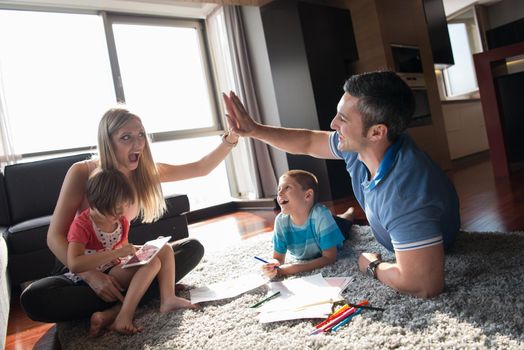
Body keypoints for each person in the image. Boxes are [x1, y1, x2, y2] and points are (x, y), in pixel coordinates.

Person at [223, 71, 460, 298]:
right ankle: (346, 218)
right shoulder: (363, 146)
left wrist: (371, 264)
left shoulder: (404, 194)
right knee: (331, 224)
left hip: (425, 239)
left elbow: (423, 285)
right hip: (393, 222)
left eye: (343, 119)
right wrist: (255, 130)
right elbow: (308, 141)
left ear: (377, 132)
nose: (333, 123)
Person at [21, 107, 239, 325]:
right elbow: (54, 236)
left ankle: (120, 306)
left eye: (141, 135)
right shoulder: (82, 172)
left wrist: (231, 138)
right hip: (82, 267)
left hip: (119, 264)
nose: (138, 144)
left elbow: (200, 168)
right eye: (126, 137)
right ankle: (141, 295)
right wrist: (93, 277)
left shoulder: (146, 172)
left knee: (192, 248)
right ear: (108, 141)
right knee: (35, 297)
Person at [66, 169, 195, 335]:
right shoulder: (82, 225)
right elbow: (75, 264)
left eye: (121, 209)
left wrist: (144, 249)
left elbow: (123, 249)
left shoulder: (120, 220)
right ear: (95, 204)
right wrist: (117, 254)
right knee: (153, 263)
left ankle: (168, 298)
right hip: (98, 275)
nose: (120, 215)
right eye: (114, 211)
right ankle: (124, 316)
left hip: (115, 267)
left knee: (165, 249)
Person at [261, 169, 348, 279]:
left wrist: (295, 268)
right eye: (279, 189)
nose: (279, 193)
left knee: (345, 222)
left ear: (307, 195)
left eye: (287, 187)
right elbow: (278, 258)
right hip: (321, 226)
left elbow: (330, 257)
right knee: (339, 219)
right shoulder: (280, 221)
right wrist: (272, 264)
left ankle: (349, 213)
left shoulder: (321, 215)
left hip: (330, 226)